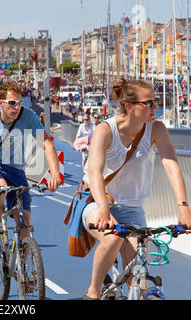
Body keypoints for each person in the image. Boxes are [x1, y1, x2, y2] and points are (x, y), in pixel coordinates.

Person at [81, 79, 191, 300]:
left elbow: (171, 166)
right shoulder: (106, 130)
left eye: (155, 101)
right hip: (98, 202)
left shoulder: (156, 129)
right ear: (129, 107)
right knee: (112, 239)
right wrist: (104, 210)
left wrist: (183, 208)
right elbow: (94, 172)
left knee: (137, 277)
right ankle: (93, 292)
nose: (154, 108)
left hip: (133, 209)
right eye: (148, 103)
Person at [0, 80, 61, 257]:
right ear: (1, 103)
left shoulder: (29, 116)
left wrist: (55, 175)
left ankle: (24, 272)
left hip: (16, 169)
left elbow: (47, 145)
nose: (17, 107)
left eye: (20, 103)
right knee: (0, 189)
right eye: (12, 103)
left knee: (25, 221)